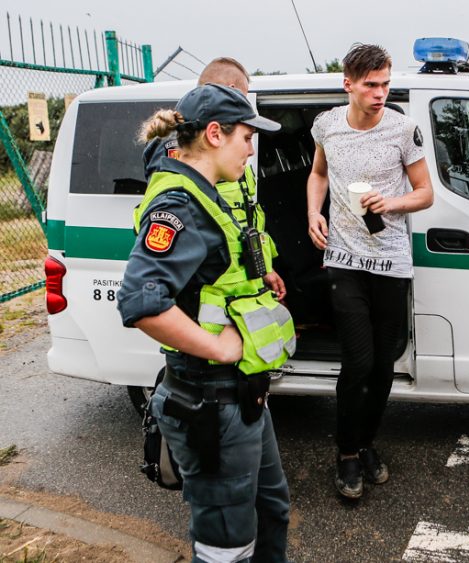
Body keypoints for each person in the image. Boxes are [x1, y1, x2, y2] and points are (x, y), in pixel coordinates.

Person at [118, 84, 293, 563]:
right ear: (214, 134)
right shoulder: (180, 206)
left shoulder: (206, 192)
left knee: (271, 509)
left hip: (243, 395)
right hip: (212, 401)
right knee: (227, 548)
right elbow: (139, 300)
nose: (251, 148)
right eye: (246, 137)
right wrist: (217, 348)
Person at [306, 43, 433, 500]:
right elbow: (318, 174)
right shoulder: (327, 126)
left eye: (385, 84)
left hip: (391, 260)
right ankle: (345, 453)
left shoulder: (403, 130)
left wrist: (392, 203)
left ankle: (365, 442)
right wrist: (312, 213)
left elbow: (425, 192)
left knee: (383, 364)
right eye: (370, 85)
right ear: (349, 85)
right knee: (357, 361)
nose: (380, 93)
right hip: (344, 259)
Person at [142, 57, 286, 301]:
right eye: (242, 97)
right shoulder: (181, 160)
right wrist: (210, 342)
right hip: (211, 289)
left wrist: (262, 267)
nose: (249, 150)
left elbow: (244, 218)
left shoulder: (229, 160)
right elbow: (146, 296)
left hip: (237, 275)